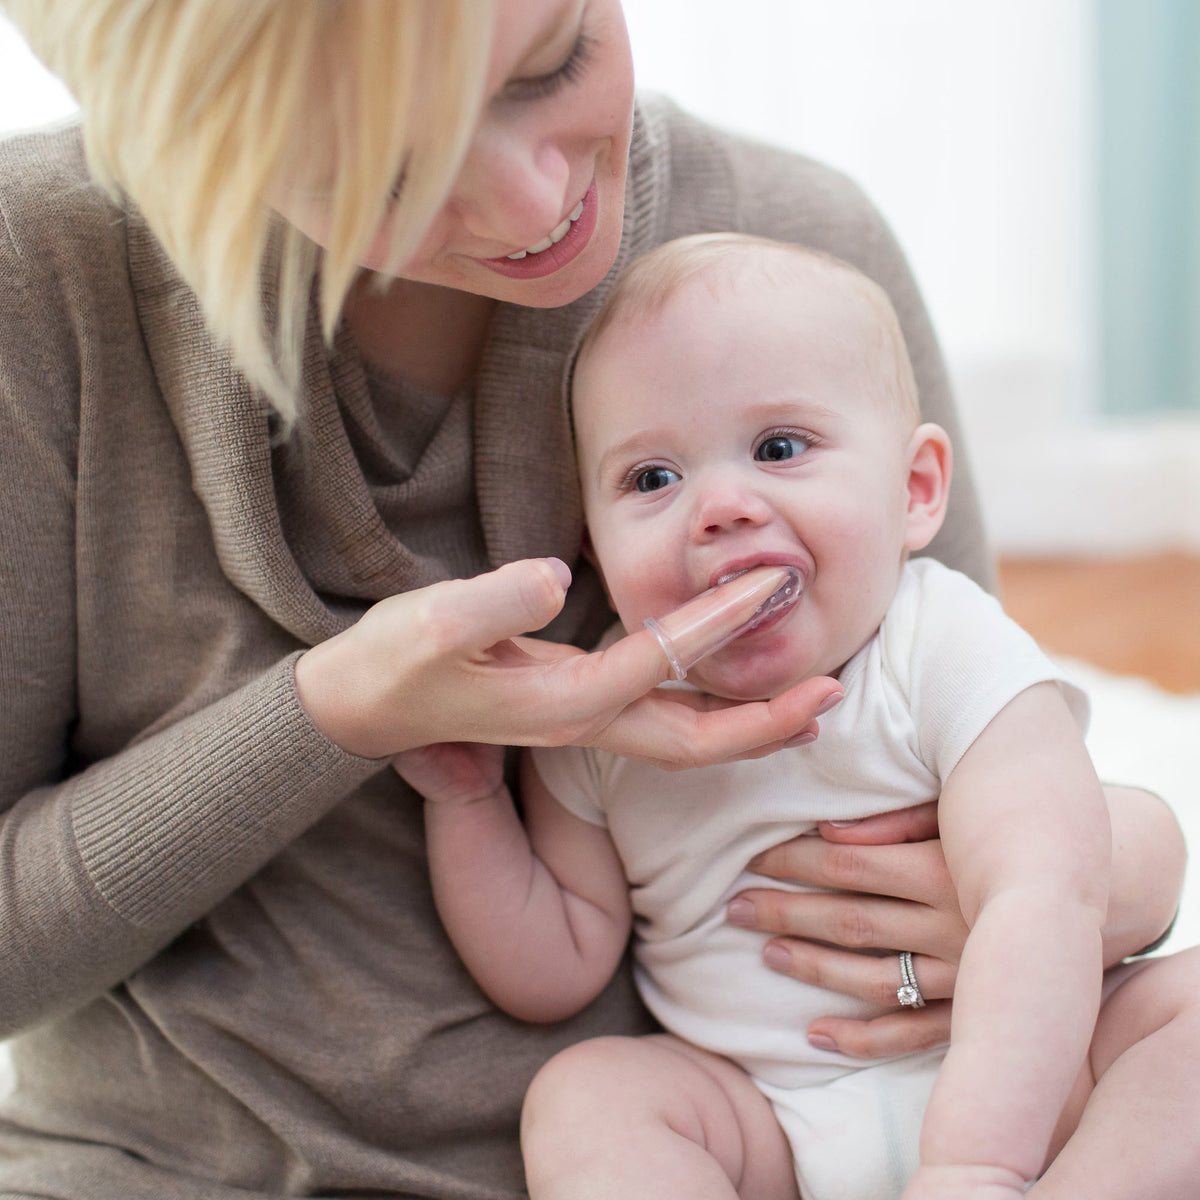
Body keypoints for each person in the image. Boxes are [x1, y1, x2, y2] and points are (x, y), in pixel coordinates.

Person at [0, 2, 1184, 1197]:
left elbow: (1033, 797)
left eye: (554, 60)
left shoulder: (801, 256)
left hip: (988, 1099)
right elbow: (555, 953)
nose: (532, 205)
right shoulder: (38, 281)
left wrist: (1110, 877)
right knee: (591, 1095)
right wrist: (349, 720)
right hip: (658, 1140)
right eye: (388, 168)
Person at [400, 233, 1200, 1200]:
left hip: (1040, 1084)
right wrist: (471, 801)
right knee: (587, 1094)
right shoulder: (609, 714)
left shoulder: (942, 645)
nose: (721, 506)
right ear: (595, 546)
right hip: (767, 1120)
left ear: (913, 493)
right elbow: (555, 962)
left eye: (780, 448)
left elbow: (1045, 889)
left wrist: (973, 1163)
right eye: (653, 479)